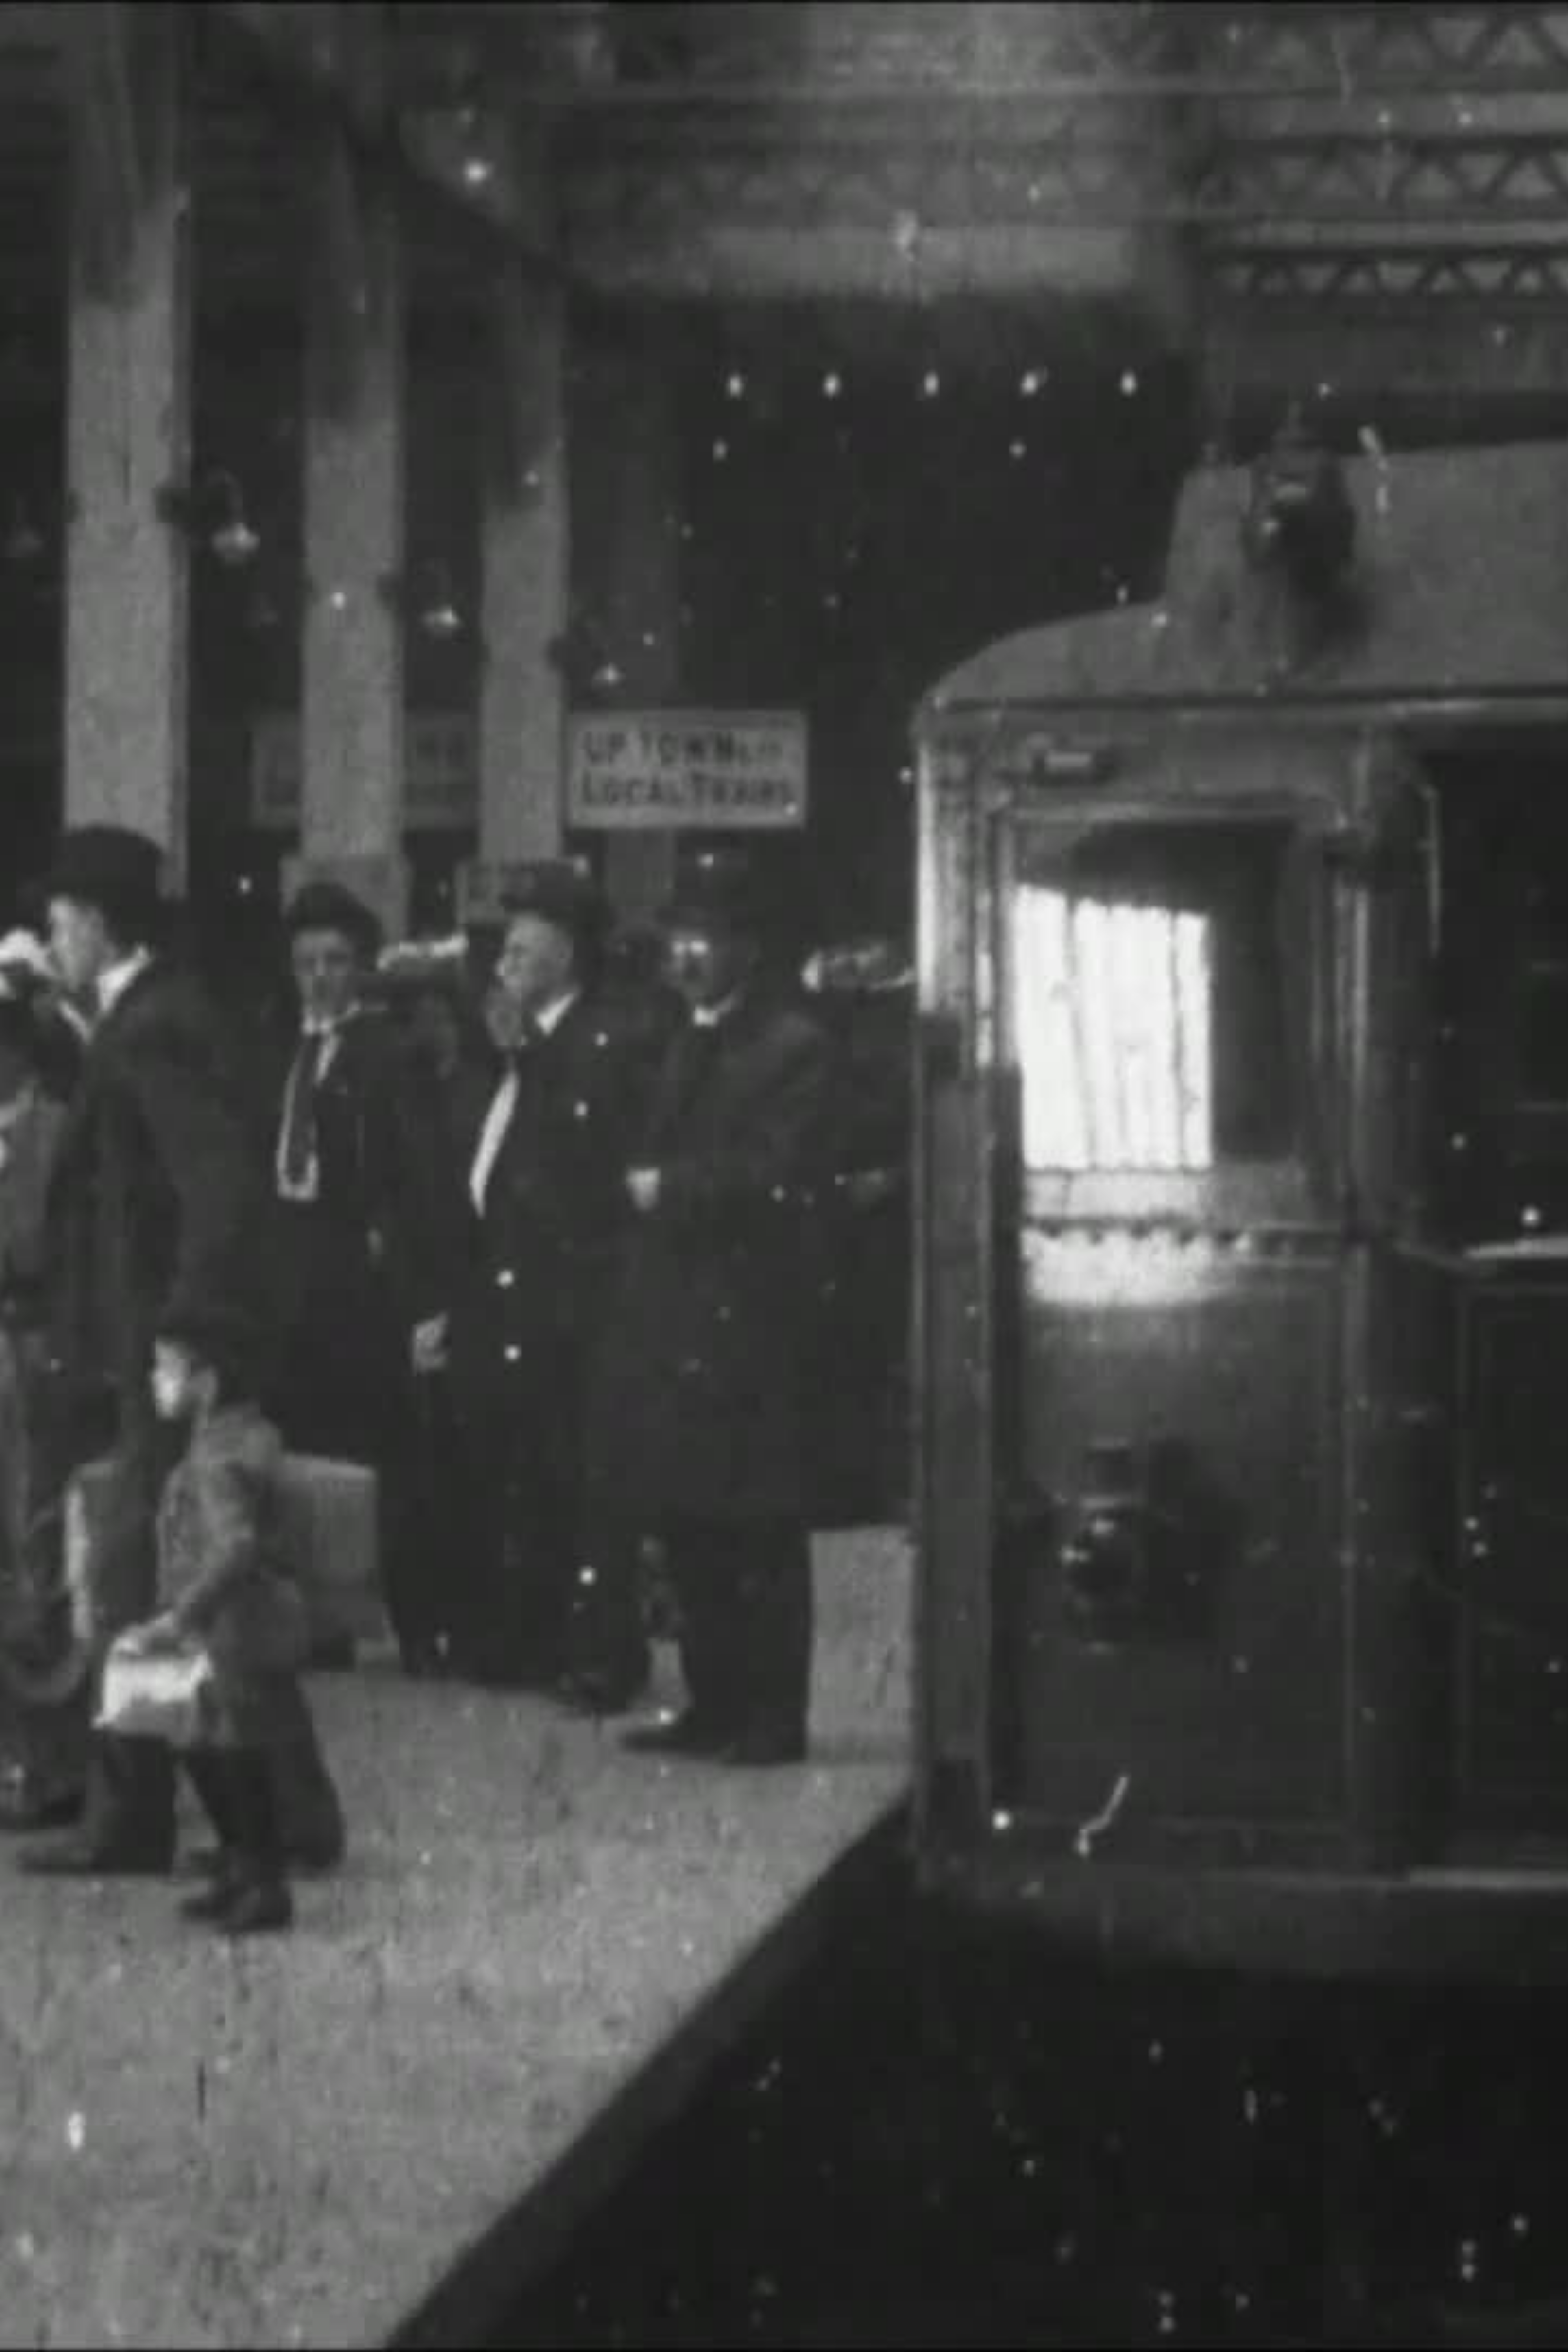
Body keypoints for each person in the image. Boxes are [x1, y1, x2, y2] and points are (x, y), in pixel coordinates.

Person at [21, 826, 277, 1878]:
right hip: (138, 1344)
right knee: (152, 1571)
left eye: (58, 921)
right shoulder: (146, 1018)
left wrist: (187, 1332)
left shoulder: (152, 1031)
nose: (47, 938)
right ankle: (285, 1819)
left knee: (136, 1577)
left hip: (153, 1353)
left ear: (97, 922)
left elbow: (215, 1190)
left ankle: (127, 1824)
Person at [590, 851, 837, 1767]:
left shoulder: (792, 1047)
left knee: (757, 1522)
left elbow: (780, 1174)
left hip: (751, 1320)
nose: (685, 959)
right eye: (676, 942)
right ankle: (713, 1699)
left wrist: (674, 1190)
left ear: (748, 949)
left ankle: (772, 1714)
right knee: (690, 1514)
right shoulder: (679, 1036)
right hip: (675, 1318)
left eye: (703, 942)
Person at [410, 865, 655, 1703]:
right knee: (525, 1476)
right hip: (507, 1297)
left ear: (572, 949)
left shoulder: (599, 1042)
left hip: (578, 1305)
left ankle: (598, 1655)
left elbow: (585, 1183)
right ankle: (530, 1639)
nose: (508, 951)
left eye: (529, 934)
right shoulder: (512, 1050)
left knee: (583, 1485)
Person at [126, 1305, 317, 1937]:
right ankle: (244, 1870)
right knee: (209, 1742)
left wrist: (180, 1618)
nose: (156, 1380)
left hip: (228, 1624)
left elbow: (234, 1546)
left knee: (230, 1750)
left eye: (166, 1368)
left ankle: (262, 1883)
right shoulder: (244, 1432)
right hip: (239, 1620)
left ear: (206, 1379)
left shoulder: (216, 1457)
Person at [263, 880, 409, 1669]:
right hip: (288, 1258)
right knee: (289, 1439)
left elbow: (396, 1166)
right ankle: (302, 1614)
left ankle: (343, 1618)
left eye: (336, 962)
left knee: (344, 1444)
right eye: (307, 963)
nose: (321, 978)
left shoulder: (381, 1055)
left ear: (362, 969)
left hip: (347, 1265)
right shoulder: (283, 1049)